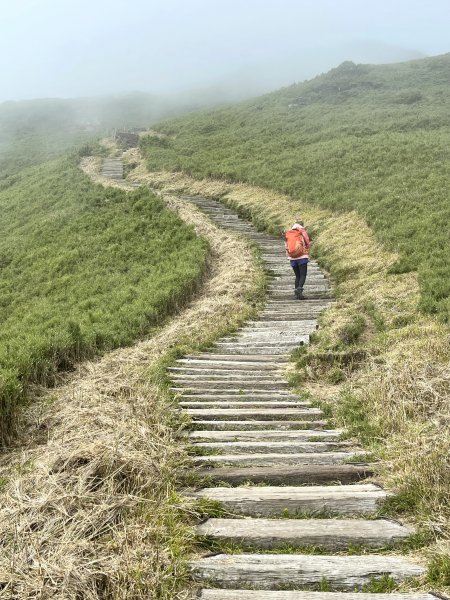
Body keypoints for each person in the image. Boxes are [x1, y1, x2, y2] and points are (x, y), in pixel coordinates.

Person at [284, 220, 310, 300]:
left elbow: (286, 246)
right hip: (302, 257)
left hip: (292, 258)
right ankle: (299, 289)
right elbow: (307, 242)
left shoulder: (288, 233)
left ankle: (297, 294)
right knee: (303, 275)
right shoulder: (302, 231)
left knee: (297, 276)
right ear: (302, 225)